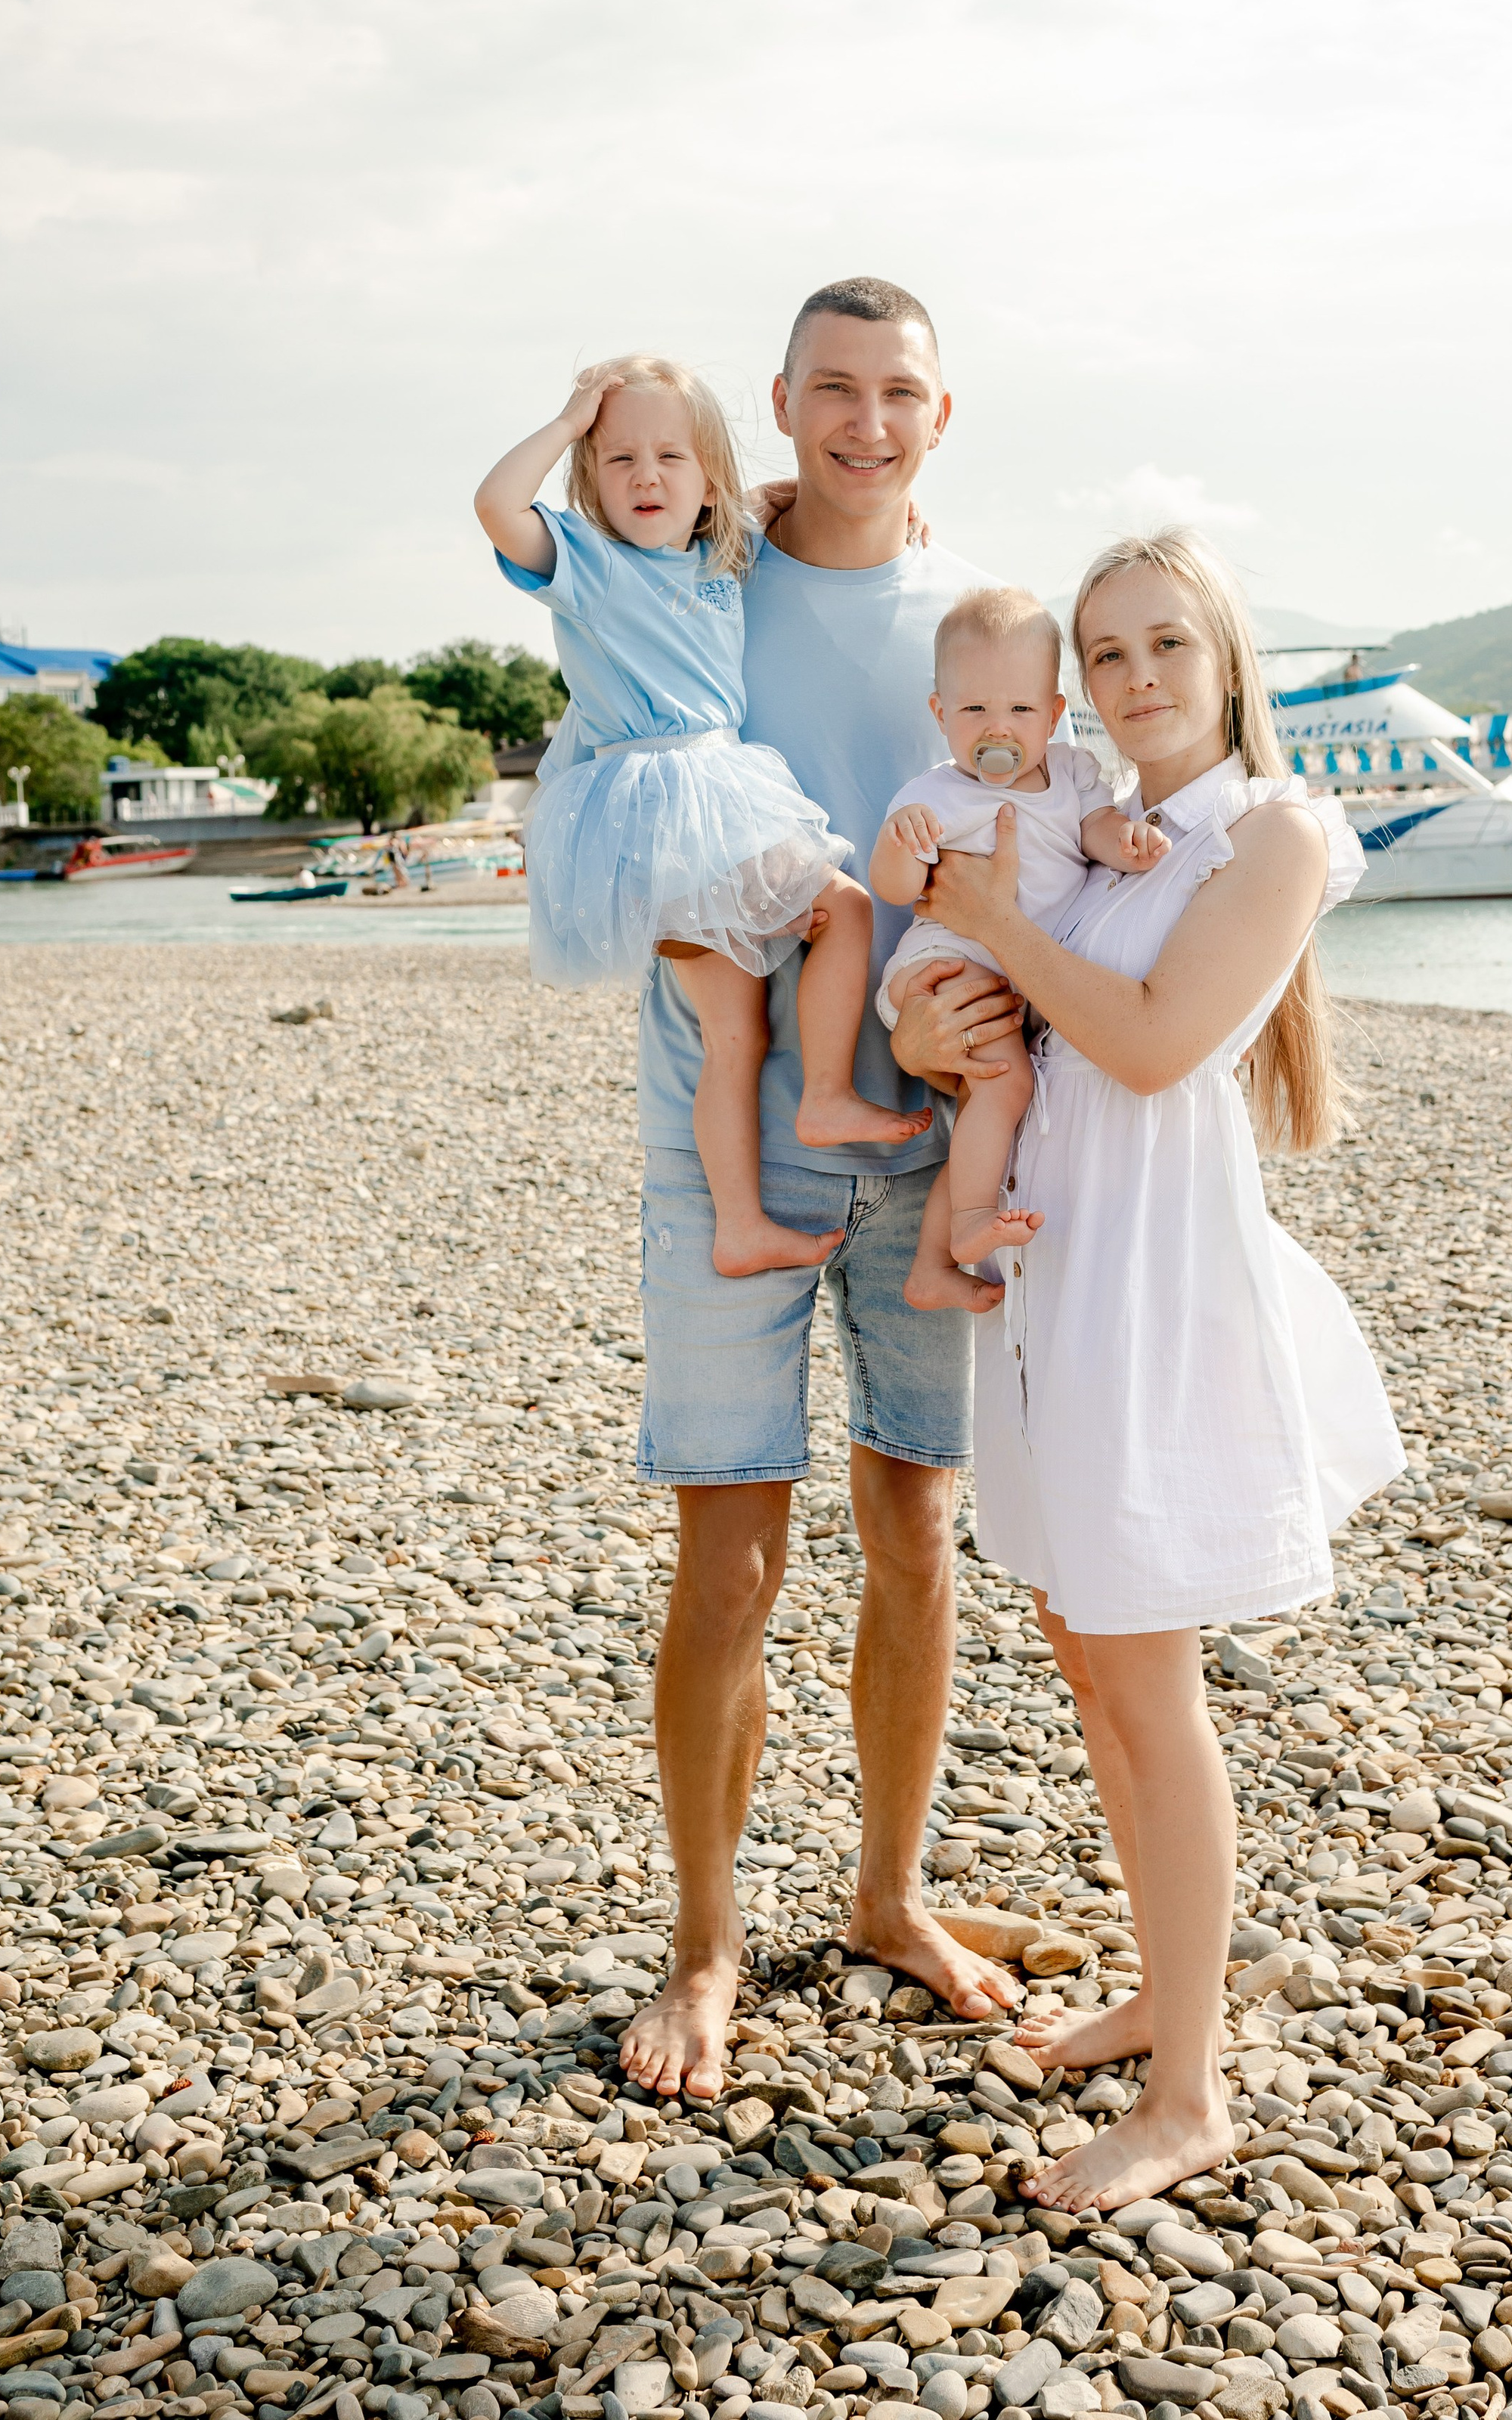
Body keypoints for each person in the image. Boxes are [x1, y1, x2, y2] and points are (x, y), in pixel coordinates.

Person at [915, 525, 1405, 2212]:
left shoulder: (1268, 833)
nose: (1132, 681)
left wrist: (986, 916)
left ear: (1225, 663)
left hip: (1151, 1284)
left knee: (1149, 1680)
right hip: (1059, 1271)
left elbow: (1140, 1043)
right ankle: (1157, 1987)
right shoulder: (1098, 833)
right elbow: (997, 1015)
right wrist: (933, 1011)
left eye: (1163, 649)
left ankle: (1189, 2091)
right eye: (1105, 654)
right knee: (1083, 1650)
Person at [608, 278, 1033, 2102]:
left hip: (931, 1123)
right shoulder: (693, 573)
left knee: (914, 1522)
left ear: (945, 412)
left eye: (900, 392)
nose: (866, 421)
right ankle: (705, 1942)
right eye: (834, 390)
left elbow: (1059, 842)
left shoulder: (981, 615)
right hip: (724, 1119)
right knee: (728, 1543)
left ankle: (884, 1891)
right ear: (777, 403)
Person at [477, 358, 928, 1281]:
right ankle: (828, 1096)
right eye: (617, 460)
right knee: (842, 911)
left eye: (670, 457)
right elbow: (495, 505)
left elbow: (783, 505)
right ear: (587, 482)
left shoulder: (725, 554)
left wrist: (899, 517)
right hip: (661, 803)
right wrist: (567, 422)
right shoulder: (589, 566)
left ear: (708, 479)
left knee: (738, 1037)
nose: (646, 477)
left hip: (707, 804)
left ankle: (740, 1225)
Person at [869, 583, 1168, 1306]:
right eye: (973, 709)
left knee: (991, 1111)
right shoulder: (935, 793)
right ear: (940, 713)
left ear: (1056, 715)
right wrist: (904, 843)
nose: (995, 728)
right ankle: (971, 1222)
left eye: (1020, 710)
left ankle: (932, 1264)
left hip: (1011, 971)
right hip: (951, 965)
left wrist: (1124, 843)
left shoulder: (1072, 775)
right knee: (1009, 1087)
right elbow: (892, 885)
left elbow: (1093, 831)